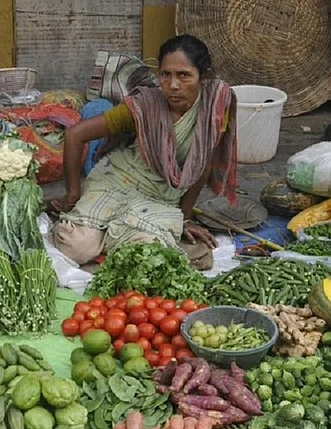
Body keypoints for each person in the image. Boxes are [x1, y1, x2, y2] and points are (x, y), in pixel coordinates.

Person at [47, 35, 238, 269]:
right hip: (118, 179)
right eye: (165, 75)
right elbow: (74, 135)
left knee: (145, 256)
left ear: (203, 77)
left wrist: (184, 217)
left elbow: (203, 162)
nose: (173, 85)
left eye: (184, 75)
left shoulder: (214, 106)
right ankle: (102, 233)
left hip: (161, 196)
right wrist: (72, 195)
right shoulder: (143, 106)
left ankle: (108, 236)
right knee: (74, 246)